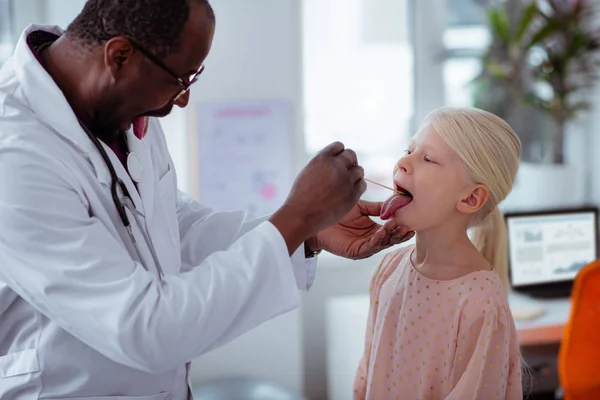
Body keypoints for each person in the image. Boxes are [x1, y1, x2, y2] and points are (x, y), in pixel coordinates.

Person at [0, 0, 414, 398]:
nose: (182, 99)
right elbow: (145, 329)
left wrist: (307, 231)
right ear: (120, 56)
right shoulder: (15, 156)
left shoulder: (118, 106)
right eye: (181, 79)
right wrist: (297, 215)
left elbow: (168, 225)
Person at [353, 107, 523, 399]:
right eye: (409, 149)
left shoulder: (480, 303)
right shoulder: (389, 268)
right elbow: (366, 376)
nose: (403, 162)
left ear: (470, 197)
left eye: (428, 158)